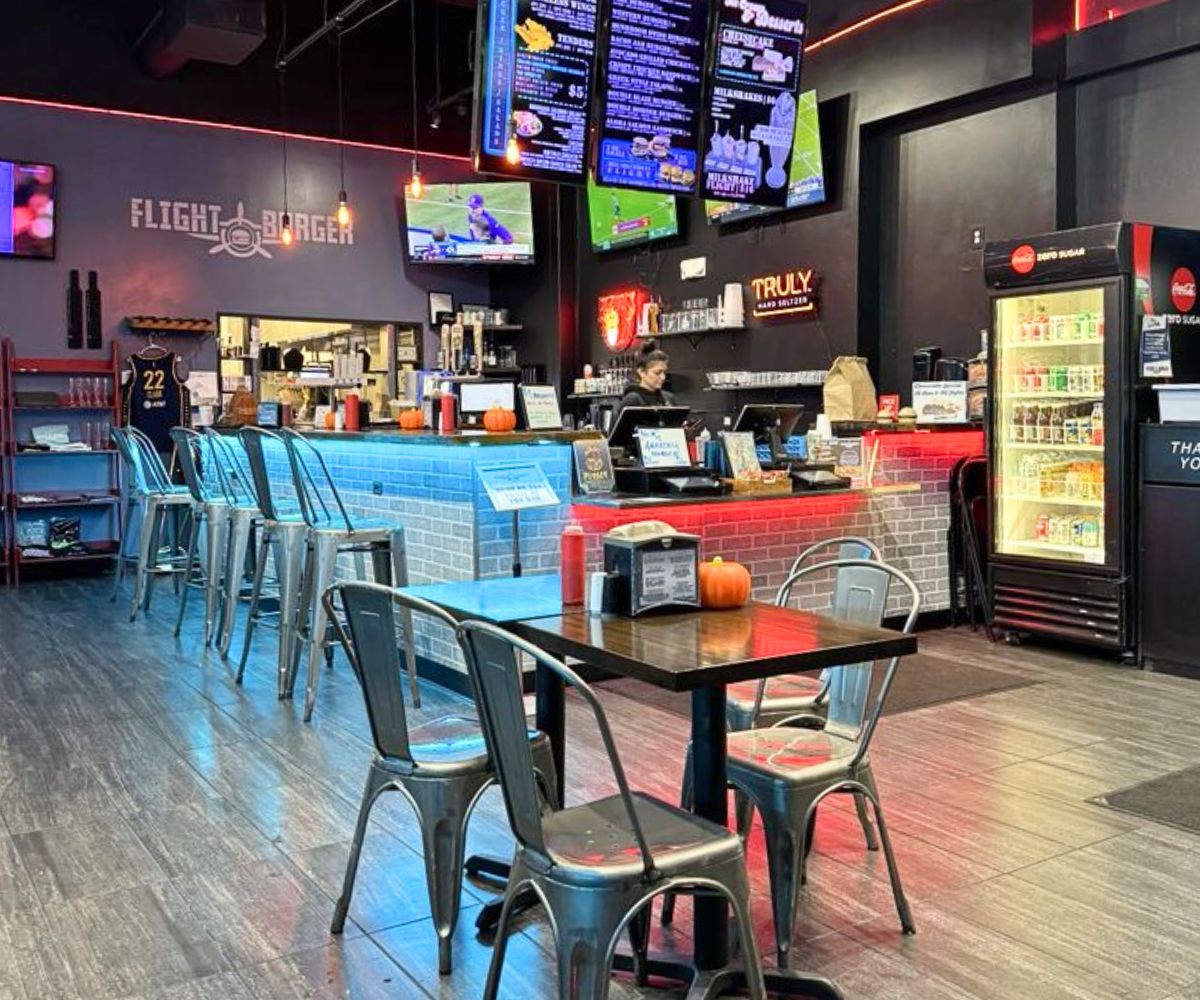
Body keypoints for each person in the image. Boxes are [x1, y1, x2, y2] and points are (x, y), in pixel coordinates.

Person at [618, 340, 674, 410]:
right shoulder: (632, 401)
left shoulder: (668, 398)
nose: (663, 377)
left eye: (664, 373)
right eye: (657, 373)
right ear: (642, 372)